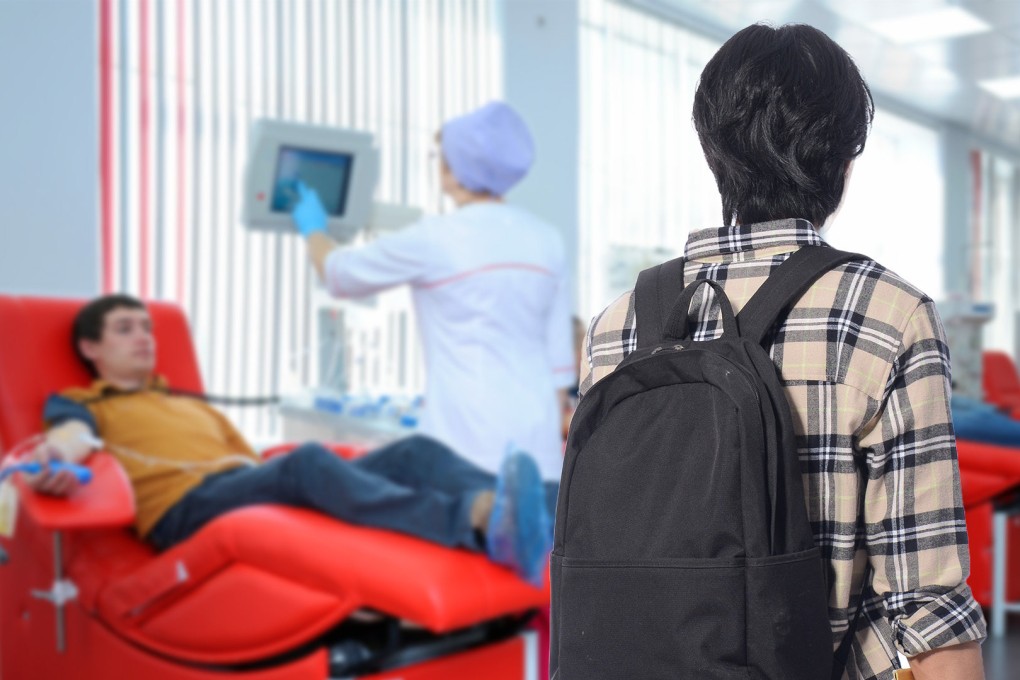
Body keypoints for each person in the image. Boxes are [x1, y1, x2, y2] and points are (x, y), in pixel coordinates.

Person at [580, 24, 985, 680]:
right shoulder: (886, 314)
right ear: (845, 159)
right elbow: (926, 601)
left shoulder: (616, 326)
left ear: (711, 149)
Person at [24, 295, 552, 585]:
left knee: (414, 452)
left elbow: (249, 461)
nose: (144, 337)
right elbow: (71, 437)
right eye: (125, 329)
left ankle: (556, 510)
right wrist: (57, 457)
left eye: (146, 327)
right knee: (307, 463)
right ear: (90, 347)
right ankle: (478, 519)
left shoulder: (185, 402)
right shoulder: (82, 402)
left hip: (242, 486)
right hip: (183, 511)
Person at [292, 101, 575, 488]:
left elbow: (339, 274)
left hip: (465, 448)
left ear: (452, 172)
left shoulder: (435, 238)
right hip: (539, 455)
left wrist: (313, 228)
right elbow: (560, 366)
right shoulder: (547, 241)